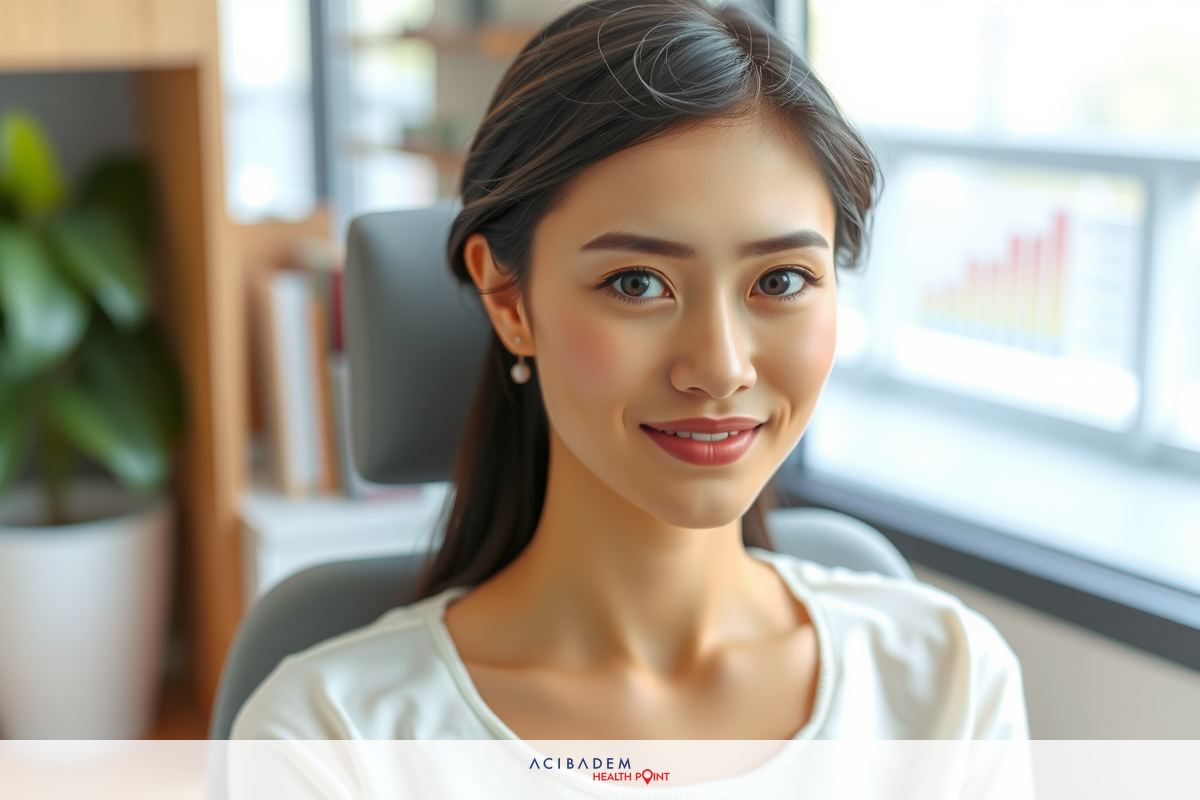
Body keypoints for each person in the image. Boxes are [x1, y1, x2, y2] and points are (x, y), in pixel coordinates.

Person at [233, 0, 1027, 759]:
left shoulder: (947, 686)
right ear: (509, 300)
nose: (720, 368)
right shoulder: (332, 739)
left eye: (781, 281)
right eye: (638, 283)